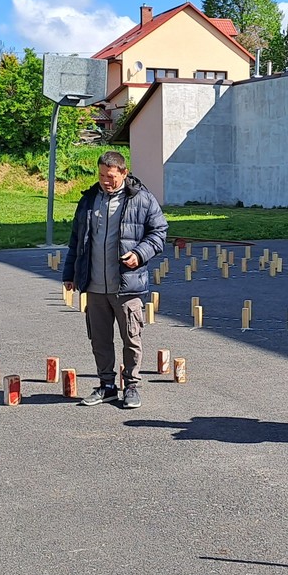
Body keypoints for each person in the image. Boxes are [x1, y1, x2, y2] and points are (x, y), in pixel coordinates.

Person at [63, 151, 168, 409]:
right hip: (95, 285)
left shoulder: (141, 199)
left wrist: (140, 254)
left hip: (127, 285)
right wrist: (70, 274)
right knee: (99, 339)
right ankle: (107, 385)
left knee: (131, 337)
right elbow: (76, 241)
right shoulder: (88, 200)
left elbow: (160, 232)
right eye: (101, 175)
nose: (105, 181)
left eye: (110, 176)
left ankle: (131, 385)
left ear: (123, 172)